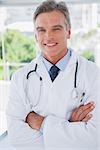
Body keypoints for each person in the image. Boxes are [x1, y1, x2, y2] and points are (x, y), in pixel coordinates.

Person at [6, 0, 100, 150]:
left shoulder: (92, 74)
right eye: (41, 30)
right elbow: (16, 137)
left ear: (68, 31)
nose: (48, 36)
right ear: (36, 35)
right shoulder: (20, 78)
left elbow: (95, 138)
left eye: (56, 29)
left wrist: (40, 123)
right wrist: (69, 128)